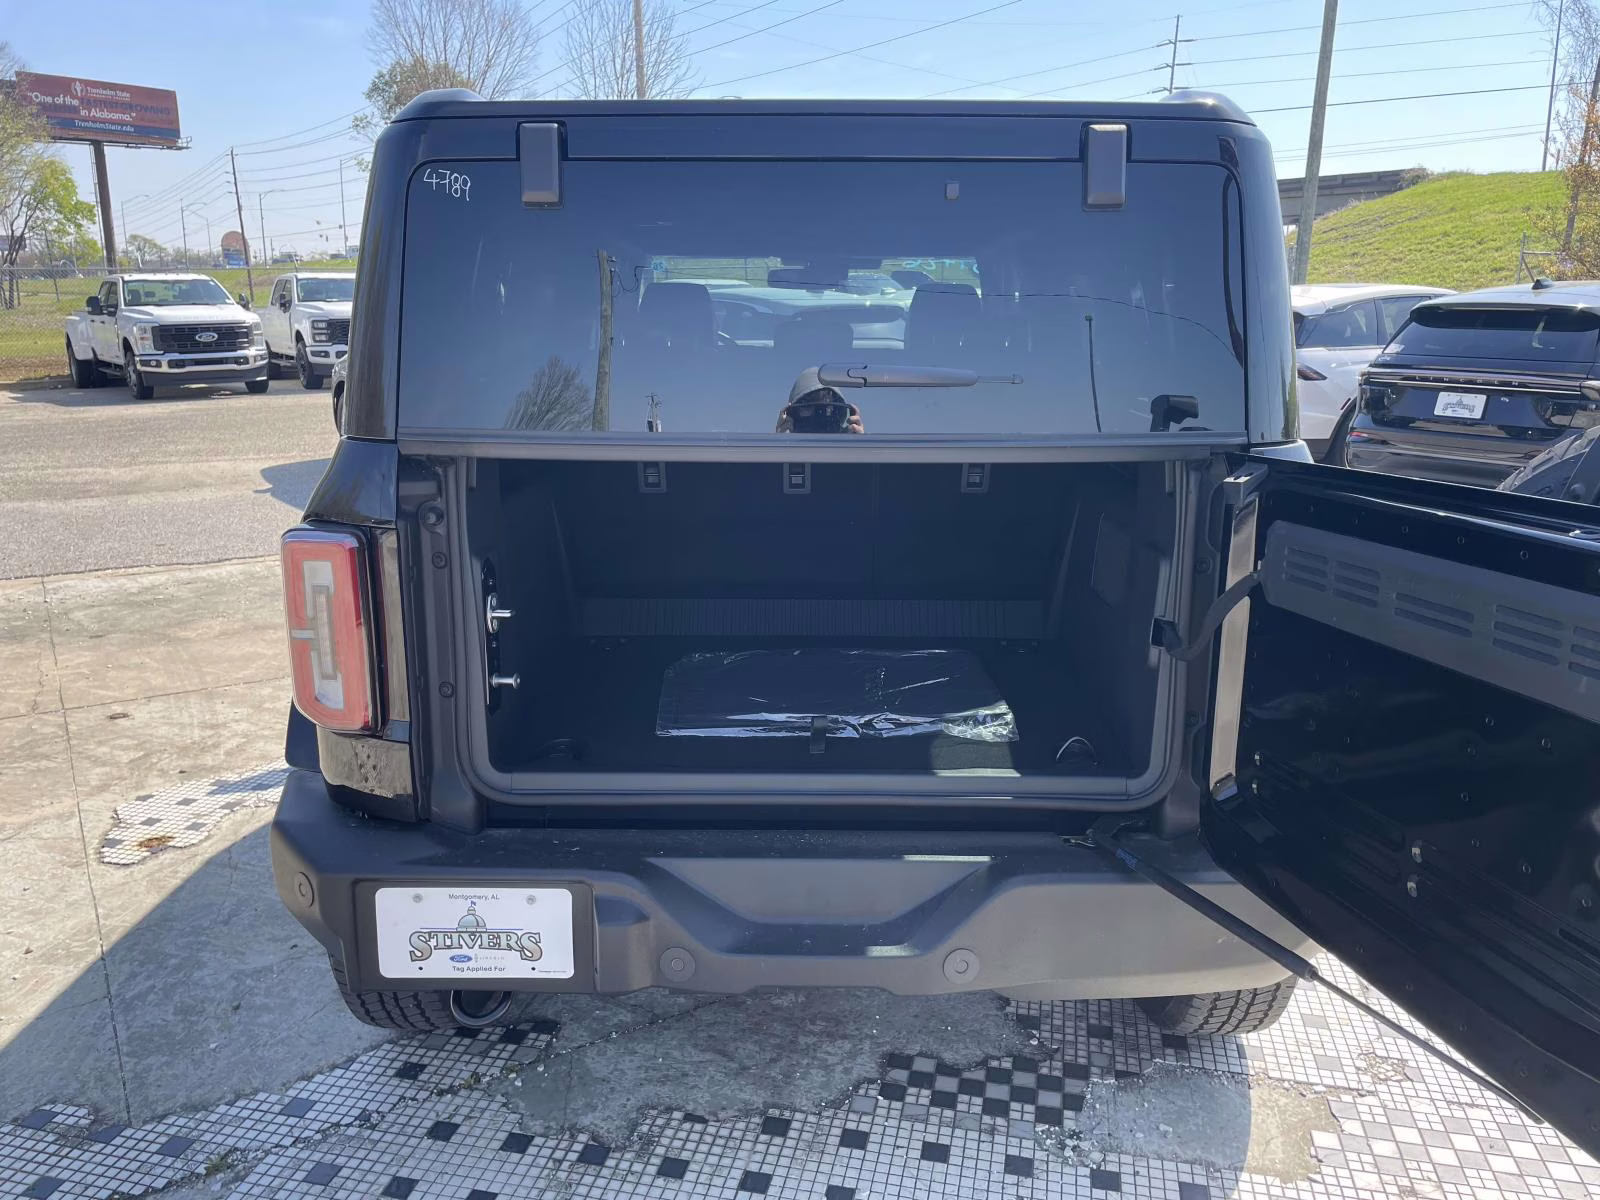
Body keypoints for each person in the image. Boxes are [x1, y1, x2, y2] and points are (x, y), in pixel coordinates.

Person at [777, 367, 865, 433]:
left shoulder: (846, 446)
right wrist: (781, 444)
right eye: (808, 406)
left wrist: (859, 446)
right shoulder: (785, 447)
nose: (818, 414)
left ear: (838, 412)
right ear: (791, 414)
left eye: (826, 408)